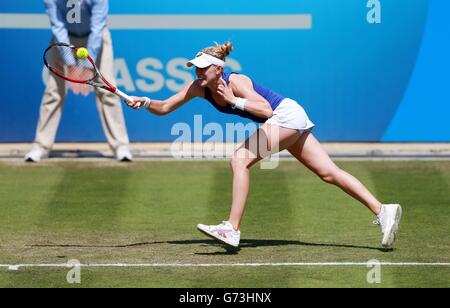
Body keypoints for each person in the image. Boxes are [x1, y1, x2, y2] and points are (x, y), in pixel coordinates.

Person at [127, 42, 402, 249]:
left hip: (286, 115)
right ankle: (383, 210)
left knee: (239, 159)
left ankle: (232, 229)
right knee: (328, 173)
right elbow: (164, 107)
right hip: (288, 119)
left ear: (218, 69)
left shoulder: (236, 80)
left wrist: (233, 101)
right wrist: (146, 102)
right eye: (196, 67)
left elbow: (266, 110)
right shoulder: (198, 88)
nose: (197, 71)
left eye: (202, 67)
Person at [25, 0, 132, 162]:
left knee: (108, 91)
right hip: (63, 39)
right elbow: (58, 26)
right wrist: (72, 65)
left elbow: (97, 28)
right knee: (53, 92)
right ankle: (40, 146)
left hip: (96, 37)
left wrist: (88, 66)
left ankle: (120, 146)